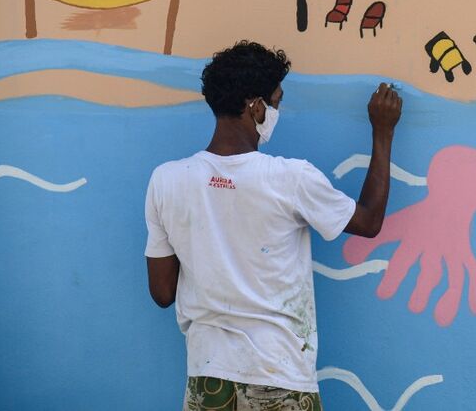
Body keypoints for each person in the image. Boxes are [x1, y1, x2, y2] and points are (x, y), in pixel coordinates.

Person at [144, 41, 402, 410]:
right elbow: (369, 221)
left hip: (207, 378)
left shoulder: (166, 180)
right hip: (280, 378)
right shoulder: (290, 178)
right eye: (276, 102)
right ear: (256, 106)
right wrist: (383, 132)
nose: (277, 110)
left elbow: (162, 293)